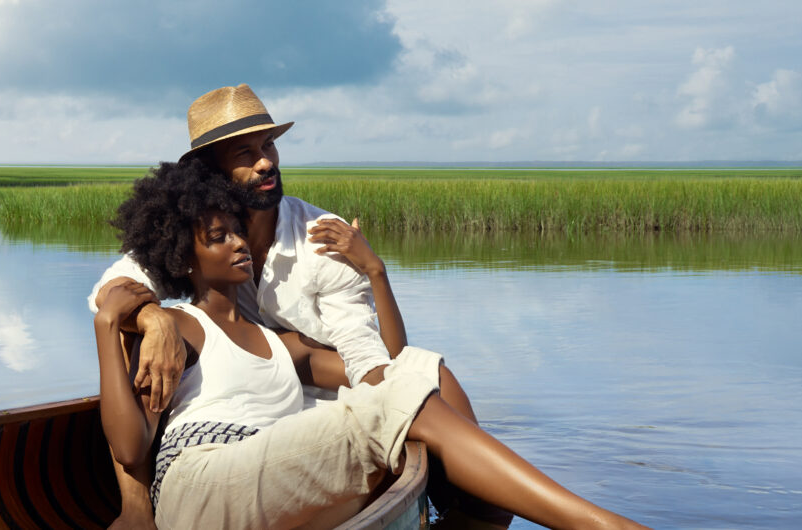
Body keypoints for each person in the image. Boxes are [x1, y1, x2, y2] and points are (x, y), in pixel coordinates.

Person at [93, 167, 645, 529]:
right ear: (180, 258)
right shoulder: (178, 326)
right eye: (217, 237)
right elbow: (129, 446)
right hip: (202, 487)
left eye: (237, 230)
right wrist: (116, 325)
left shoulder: (281, 344)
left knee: (422, 371)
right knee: (391, 404)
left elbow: (389, 374)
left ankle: (492, 512)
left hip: (267, 471)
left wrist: (375, 273)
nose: (239, 242)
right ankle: (599, 525)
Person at [88, 84, 504, 524]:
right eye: (245, 154)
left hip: (327, 402)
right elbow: (111, 290)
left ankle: (475, 511)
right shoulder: (196, 230)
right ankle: (134, 507)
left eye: (268, 144)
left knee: (428, 373)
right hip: (242, 417)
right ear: (212, 171)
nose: (266, 160)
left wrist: (377, 276)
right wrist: (153, 318)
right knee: (127, 329)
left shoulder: (325, 238)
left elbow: (367, 360)